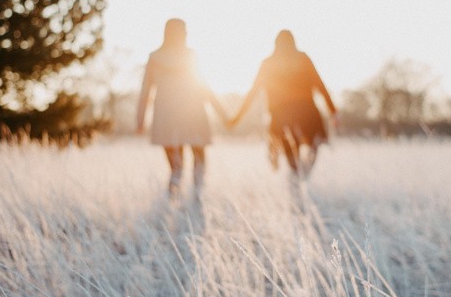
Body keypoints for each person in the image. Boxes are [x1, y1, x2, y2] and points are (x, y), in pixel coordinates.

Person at [137, 19, 226, 196]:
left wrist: (140, 119)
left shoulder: (155, 57)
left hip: (166, 118)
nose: (186, 33)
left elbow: (146, 90)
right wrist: (224, 115)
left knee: (176, 169)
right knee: (198, 163)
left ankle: (174, 202)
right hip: (193, 114)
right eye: (184, 30)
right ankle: (195, 200)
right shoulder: (190, 55)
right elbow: (203, 86)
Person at [229, 30, 337, 174]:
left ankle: (296, 176)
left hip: (282, 116)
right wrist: (333, 111)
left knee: (290, 150)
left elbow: (252, 93)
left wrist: (236, 118)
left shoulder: (268, 63)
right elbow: (320, 85)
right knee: (312, 145)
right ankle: (303, 174)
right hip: (307, 114)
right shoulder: (302, 59)